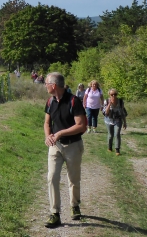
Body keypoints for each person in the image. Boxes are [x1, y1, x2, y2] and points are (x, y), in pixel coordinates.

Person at [43, 72, 87, 228]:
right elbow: (47, 123)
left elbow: (81, 125)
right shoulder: (50, 102)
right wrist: (48, 136)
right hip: (55, 146)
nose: (45, 86)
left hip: (73, 146)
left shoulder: (74, 101)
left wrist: (61, 133)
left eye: (46, 83)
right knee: (52, 177)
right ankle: (55, 213)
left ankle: (75, 205)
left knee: (73, 178)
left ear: (53, 85)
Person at [103, 89, 127, 155]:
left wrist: (125, 122)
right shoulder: (107, 101)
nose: (113, 96)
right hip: (108, 120)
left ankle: (117, 150)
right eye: (112, 94)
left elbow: (123, 112)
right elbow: (106, 113)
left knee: (117, 134)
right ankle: (109, 147)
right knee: (110, 135)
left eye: (115, 94)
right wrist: (109, 104)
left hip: (118, 120)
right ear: (109, 95)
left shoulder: (120, 102)